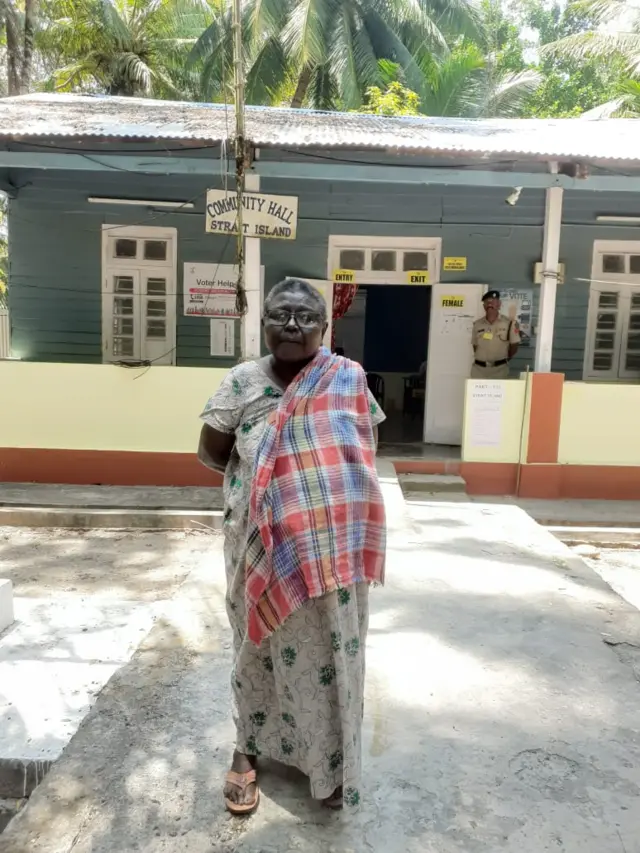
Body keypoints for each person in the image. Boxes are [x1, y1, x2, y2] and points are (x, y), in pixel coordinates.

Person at [198, 278, 387, 816]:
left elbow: (363, 450)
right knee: (253, 647)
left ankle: (329, 763)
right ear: (263, 322)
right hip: (257, 545)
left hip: (333, 555)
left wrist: (317, 499)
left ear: (325, 329)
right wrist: (271, 490)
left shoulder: (347, 380)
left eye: (306, 318)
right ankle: (246, 749)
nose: (293, 326)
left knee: (330, 652)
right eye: (281, 315)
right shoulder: (240, 383)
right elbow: (212, 452)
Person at [471, 290, 520, 379]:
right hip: (478, 370)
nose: (490, 305)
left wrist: (503, 359)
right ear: (484, 306)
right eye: (487, 303)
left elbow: (514, 346)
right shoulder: (477, 324)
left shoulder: (509, 323)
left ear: (499, 304)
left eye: (493, 302)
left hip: (500, 370)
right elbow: (475, 346)